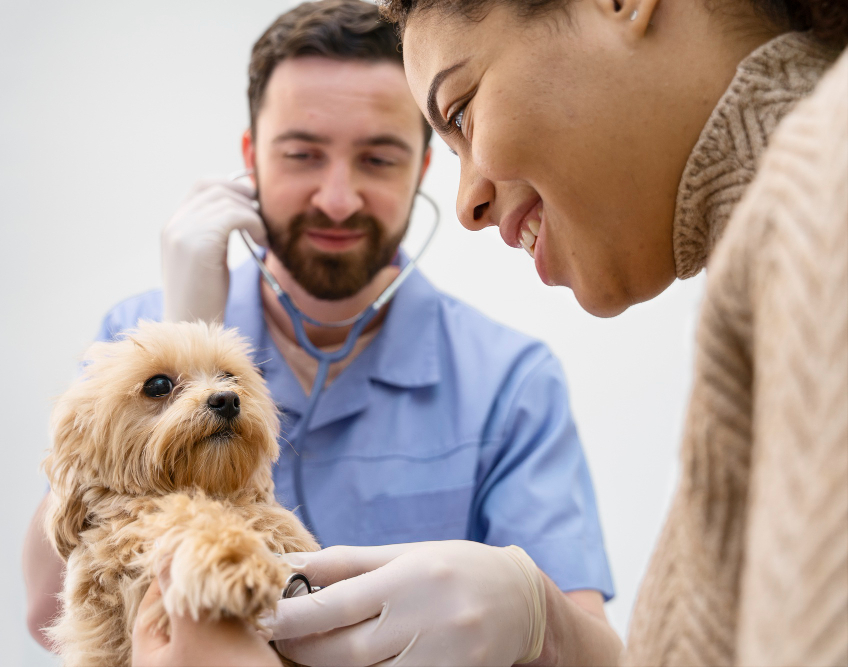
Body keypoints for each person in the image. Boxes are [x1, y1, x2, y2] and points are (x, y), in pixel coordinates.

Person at [251, 0, 848, 665]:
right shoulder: (771, 247)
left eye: (461, 111)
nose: (467, 203)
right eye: (302, 153)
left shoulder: (826, 186)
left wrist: (551, 625)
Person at [23, 0, 619, 658]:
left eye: (378, 159)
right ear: (252, 159)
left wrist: (537, 614)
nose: (338, 198)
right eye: (303, 154)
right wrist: (185, 329)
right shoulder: (134, 336)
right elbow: (52, 606)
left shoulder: (509, 383)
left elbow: (593, 650)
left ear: (423, 166)